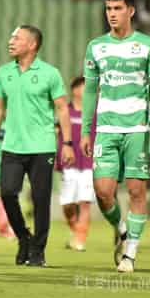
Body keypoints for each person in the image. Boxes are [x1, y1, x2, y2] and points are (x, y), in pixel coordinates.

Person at [80, 0, 150, 273]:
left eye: (117, 8)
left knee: (136, 191)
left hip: (137, 129)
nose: (112, 14)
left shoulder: (148, 45)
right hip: (106, 129)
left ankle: (130, 254)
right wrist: (85, 130)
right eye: (108, 9)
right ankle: (121, 230)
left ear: (131, 10)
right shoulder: (95, 46)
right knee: (103, 191)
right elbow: (90, 90)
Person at [0, 25, 74, 267]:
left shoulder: (50, 73)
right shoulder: (3, 72)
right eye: (11, 36)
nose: (11, 41)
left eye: (17, 37)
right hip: (12, 146)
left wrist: (67, 143)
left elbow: (61, 108)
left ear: (32, 44)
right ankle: (24, 237)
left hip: (42, 146)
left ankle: (38, 252)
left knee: (40, 200)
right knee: (7, 193)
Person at [55, 76, 96, 252]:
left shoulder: (94, 114)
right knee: (68, 204)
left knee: (85, 202)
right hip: (69, 164)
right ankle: (75, 232)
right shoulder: (65, 112)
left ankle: (80, 239)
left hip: (88, 163)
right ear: (76, 90)